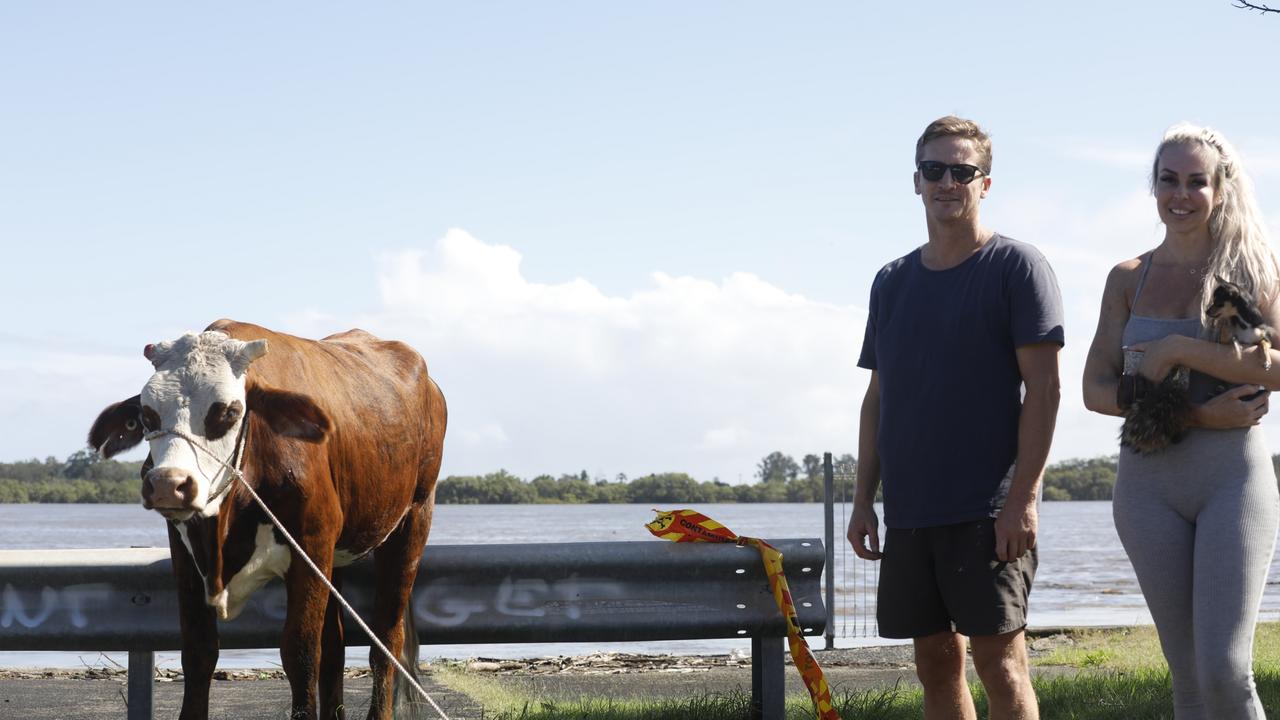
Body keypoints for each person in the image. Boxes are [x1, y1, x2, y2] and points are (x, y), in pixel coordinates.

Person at [847, 116, 1063, 720]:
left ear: (984, 183)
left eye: (961, 171)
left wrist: (1022, 497)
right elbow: (878, 400)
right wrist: (865, 500)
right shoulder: (891, 281)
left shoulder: (1017, 267)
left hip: (988, 509)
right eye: (933, 170)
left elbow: (1044, 392)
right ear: (915, 181)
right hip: (911, 512)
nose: (947, 181)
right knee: (936, 663)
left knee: (1001, 664)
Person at [1082, 123, 1280, 719]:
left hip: (1231, 483)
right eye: (1169, 180)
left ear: (1221, 188)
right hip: (1146, 489)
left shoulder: (1252, 268)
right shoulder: (1127, 278)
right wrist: (1197, 413)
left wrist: (1176, 350)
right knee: (1189, 681)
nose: (1181, 194)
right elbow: (1094, 390)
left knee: (1225, 672)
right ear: (1153, 186)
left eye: (1197, 181)